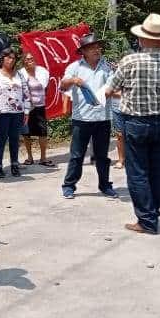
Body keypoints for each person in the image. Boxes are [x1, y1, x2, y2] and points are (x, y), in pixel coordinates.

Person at [104, 14, 160, 235]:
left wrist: (127, 92)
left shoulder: (129, 61)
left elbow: (110, 89)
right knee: (157, 170)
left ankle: (147, 220)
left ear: (142, 39)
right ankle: (153, 213)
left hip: (137, 122)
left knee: (138, 172)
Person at [59, 33, 118, 200]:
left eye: (98, 47)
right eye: (92, 47)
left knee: (102, 156)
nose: (97, 50)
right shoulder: (75, 67)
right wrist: (73, 81)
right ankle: (69, 185)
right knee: (77, 155)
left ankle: (105, 185)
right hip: (81, 118)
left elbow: (112, 86)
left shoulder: (107, 67)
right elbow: (62, 85)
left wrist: (106, 93)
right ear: (83, 51)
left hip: (103, 118)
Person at [0, 47, 30, 178]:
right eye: (8, 57)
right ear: (2, 59)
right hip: (2, 112)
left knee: (15, 139)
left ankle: (14, 164)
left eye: (13, 58)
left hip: (18, 112)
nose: (11, 60)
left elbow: (26, 93)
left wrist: (26, 111)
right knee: (1, 139)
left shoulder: (19, 75)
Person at [19, 53, 53, 167]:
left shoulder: (42, 71)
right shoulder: (20, 73)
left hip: (39, 106)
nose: (30, 60)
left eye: (32, 58)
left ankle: (43, 158)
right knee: (26, 133)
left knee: (42, 132)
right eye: (27, 59)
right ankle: (30, 157)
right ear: (24, 61)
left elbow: (44, 86)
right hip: (26, 108)